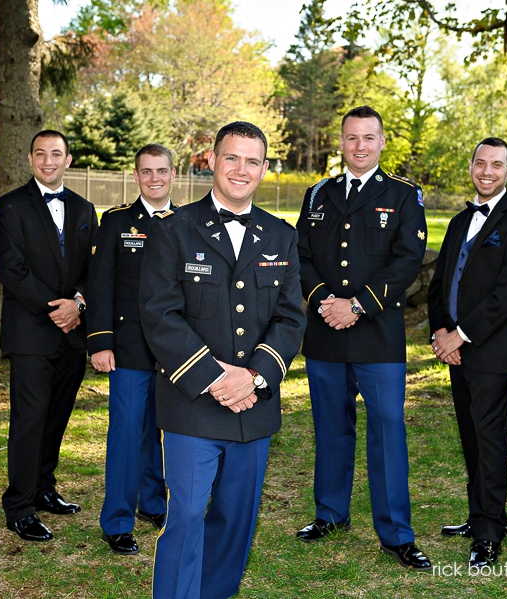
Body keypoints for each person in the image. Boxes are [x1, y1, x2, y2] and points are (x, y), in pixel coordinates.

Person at [139, 121, 305, 598]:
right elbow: (160, 316)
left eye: (252, 161)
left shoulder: (281, 236)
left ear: (265, 169)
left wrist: (254, 377)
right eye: (232, 158)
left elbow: (292, 320)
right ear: (211, 160)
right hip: (192, 404)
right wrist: (216, 378)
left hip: (254, 407)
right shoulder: (173, 230)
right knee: (188, 515)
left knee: (236, 520)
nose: (241, 169)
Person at [294, 106, 431, 569]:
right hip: (325, 334)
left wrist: (355, 306)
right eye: (352, 138)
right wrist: (325, 303)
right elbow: (302, 258)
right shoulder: (317, 195)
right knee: (330, 429)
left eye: (368, 138)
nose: (359, 146)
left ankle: (396, 533)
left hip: (378, 337)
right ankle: (330, 514)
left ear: (382, 142)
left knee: (387, 433)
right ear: (341, 141)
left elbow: (407, 262)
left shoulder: (404, 196)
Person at [426, 137, 507, 567]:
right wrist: (440, 331)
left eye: (496, 164)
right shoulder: (459, 221)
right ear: (471, 166)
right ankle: (481, 516)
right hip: (454, 350)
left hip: (489, 352)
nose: (487, 171)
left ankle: (490, 532)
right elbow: (439, 284)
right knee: (471, 440)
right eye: (480, 163)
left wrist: (461, 335)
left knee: (491, 442)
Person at [0, 130, 99, 542]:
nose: (48, 160)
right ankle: (18, 506)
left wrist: (79, 303)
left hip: (73, 333)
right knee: (28, 421)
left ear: (68, 159)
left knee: (57, 417)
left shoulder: (86, 209)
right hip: (32, 334)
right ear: (31, 159)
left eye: (56, 154)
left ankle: (43, 489)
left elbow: (95, 269)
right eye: (41, 153)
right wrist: (57, 308)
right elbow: (11, 269)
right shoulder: (9, 207)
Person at [87, 144, 175, 555]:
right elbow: (101, 285)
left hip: (176, 352)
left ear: (172, 174)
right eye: (146, 171)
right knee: (125, 434)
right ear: (136, 176)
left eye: (161, 171)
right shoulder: (118, 221)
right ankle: (117, 521)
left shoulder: (188, 222)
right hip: (128, 348)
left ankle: (154, 503)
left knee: (162, 431)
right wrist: (100, 342)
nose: (154, 178)